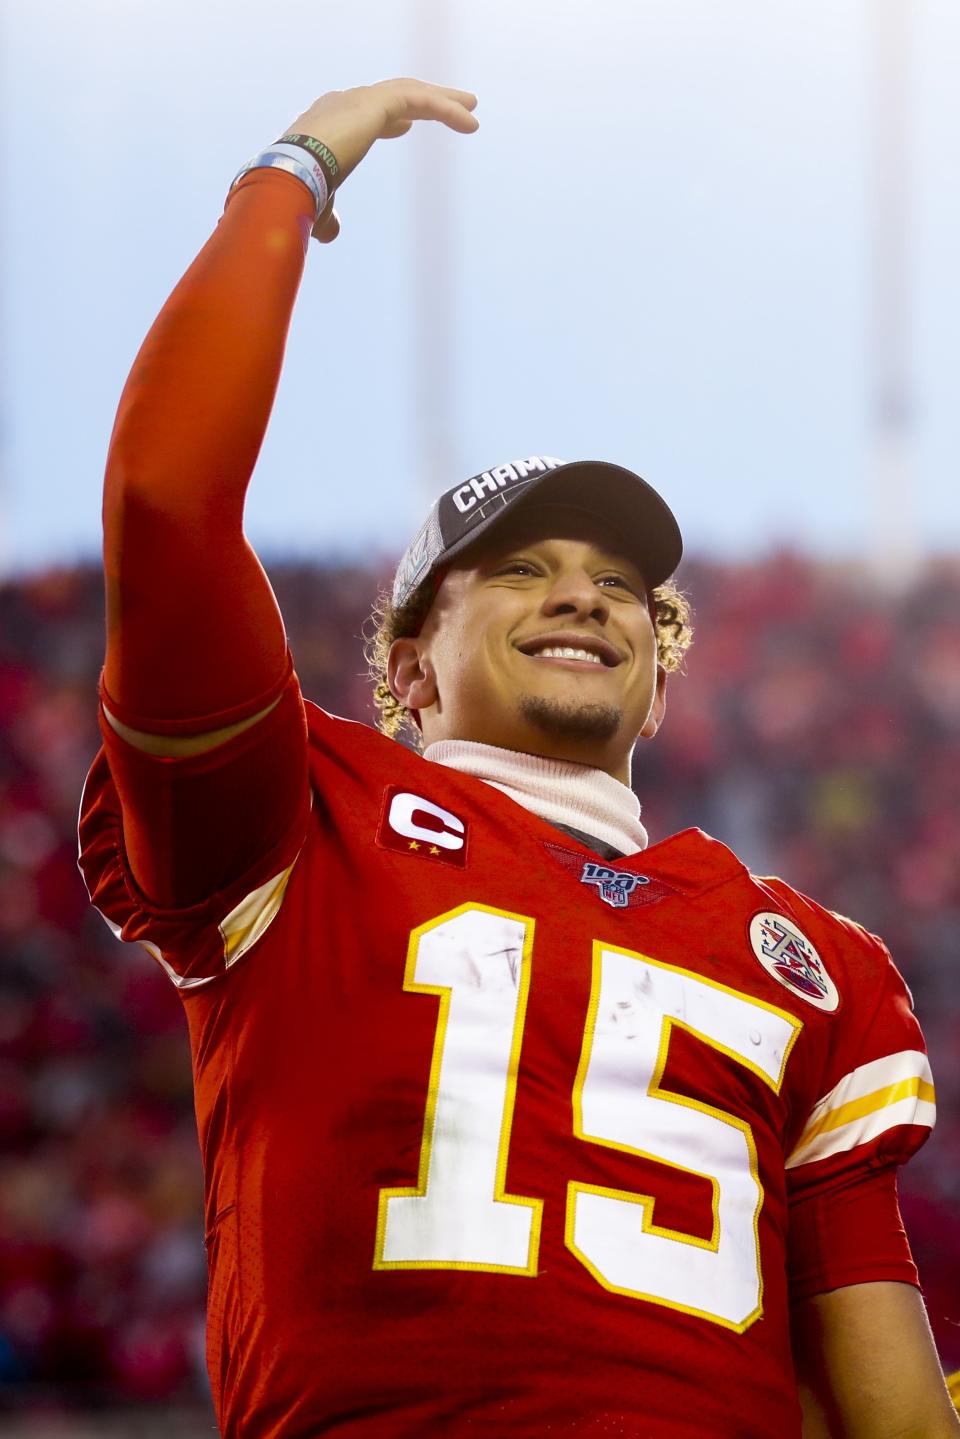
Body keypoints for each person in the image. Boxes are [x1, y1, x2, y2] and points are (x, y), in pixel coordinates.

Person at [78, 79, 958, 1438]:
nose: (585, 597)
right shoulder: (303, 825)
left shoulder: (811, 958)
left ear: (661, 677)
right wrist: (292, 172)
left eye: (620, 585)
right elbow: (165, 503)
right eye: (524, 570)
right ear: (410, 663)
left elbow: (886, 1407)